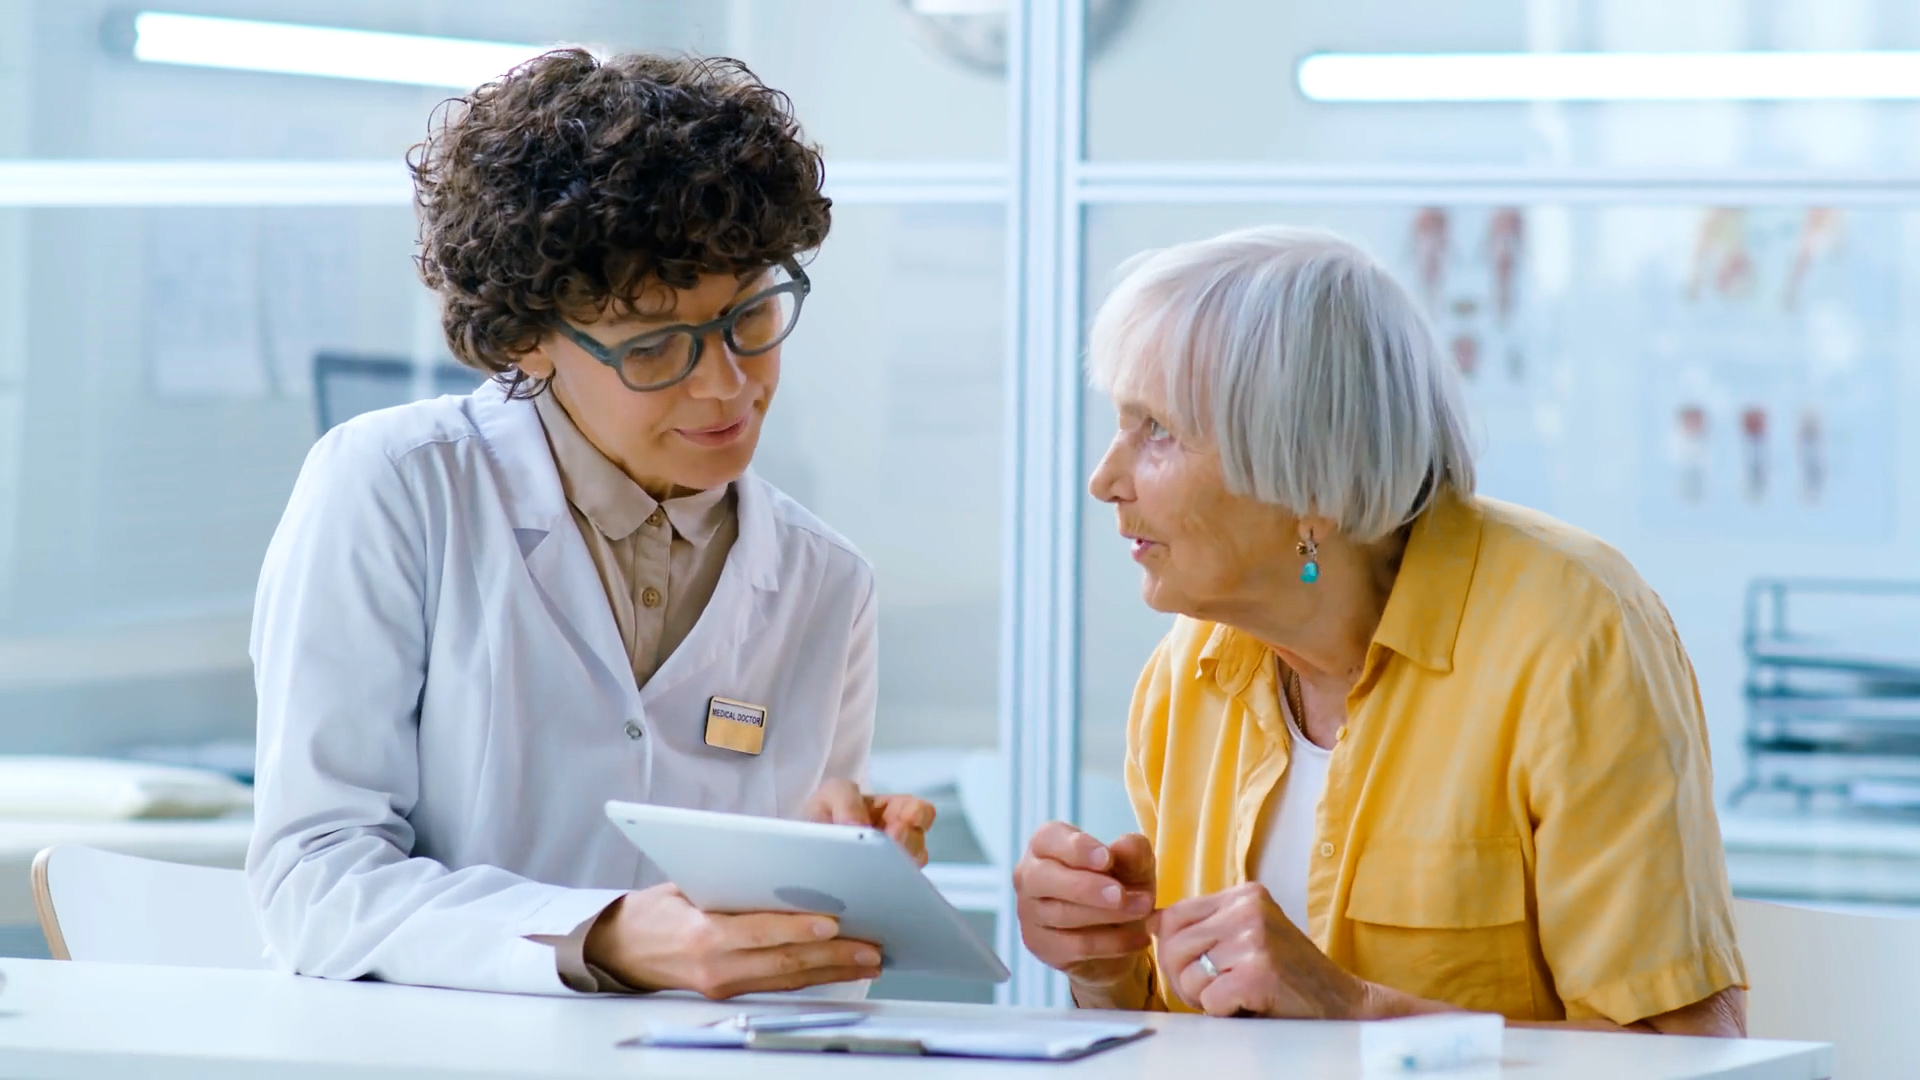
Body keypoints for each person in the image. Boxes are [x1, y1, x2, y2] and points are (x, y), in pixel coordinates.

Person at [248, 50, 933, 999]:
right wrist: (601, 937)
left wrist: (841, 884)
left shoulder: (825, 581)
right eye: (655, 345)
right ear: (526, 335)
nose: (725, 384)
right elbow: (313, 881)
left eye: (749, 318)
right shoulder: (397, 488)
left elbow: (792, 963)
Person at [1013, 226, 1747, 1034]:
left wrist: (1355, 1010)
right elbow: (1193, 1036)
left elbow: (1688, 1056)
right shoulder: (1185, 675)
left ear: (1309, 478)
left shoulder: (1574, 636)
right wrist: (1104, 970)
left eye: (1156, 430)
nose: (1104, 479)